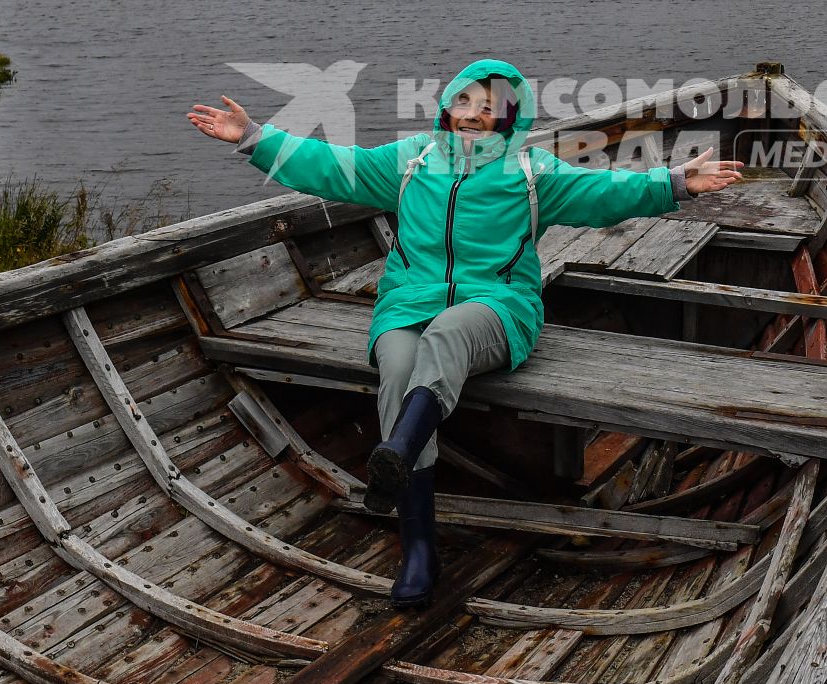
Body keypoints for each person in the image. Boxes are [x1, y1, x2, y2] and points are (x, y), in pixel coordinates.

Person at [187, 59, 742, 608]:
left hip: (498, 308)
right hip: (407, 303)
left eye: (488, 107)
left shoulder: (531, 173)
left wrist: (675, 182)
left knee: (449, 332)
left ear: (508, 119)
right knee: (399, 364)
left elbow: (604, 192)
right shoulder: (411, 162)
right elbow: (334, 165)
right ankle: (418, 549)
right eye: (464, 102)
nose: (473, 115)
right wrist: (257, 137)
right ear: (447, 106)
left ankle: (397, 452)